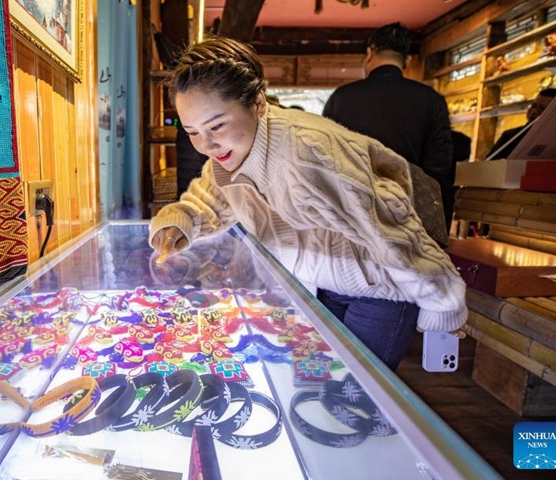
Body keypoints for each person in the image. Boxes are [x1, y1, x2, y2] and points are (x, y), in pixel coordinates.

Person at [148, 35, 468, 371]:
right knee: (325, 385)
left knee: (359, 393)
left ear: (257, 102)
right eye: (192, 131)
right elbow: (210, 199)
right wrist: (179, 221)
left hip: (381, 289)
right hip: (323, 285)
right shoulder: (229, 154)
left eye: (217, 125)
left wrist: (442, 300)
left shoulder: (309, 152)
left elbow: (388, 223)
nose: (207, 144)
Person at [323, 22, 455, 232]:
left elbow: (327, 161)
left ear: (369, 54)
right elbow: (439, 169)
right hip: (408, 217)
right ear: (407, 60)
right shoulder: (431, 100)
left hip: (355, 216)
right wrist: (438, 229)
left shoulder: (342, 98)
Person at [485, 88, 556, 160]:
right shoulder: (510, 136)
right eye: (533, 106)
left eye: (542, 108)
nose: (534, 111)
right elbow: (488, 164)